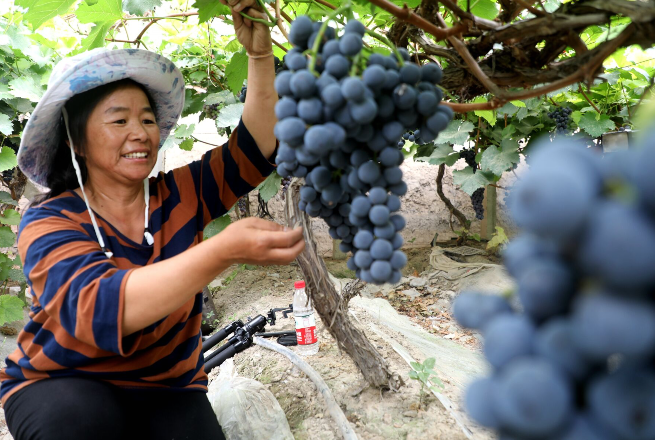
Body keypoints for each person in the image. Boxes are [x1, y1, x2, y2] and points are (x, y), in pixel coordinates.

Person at [0, 1, 304, 439]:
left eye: (146, 119)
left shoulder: (183, 193)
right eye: (118, 120)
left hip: (168, 386)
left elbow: (256, 147)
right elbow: (101, 309)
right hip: (62, 382)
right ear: (77, 143)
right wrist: (220, 252)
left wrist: (259, 57)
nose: (140, 132)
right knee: (79, 422)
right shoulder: (49, 221)